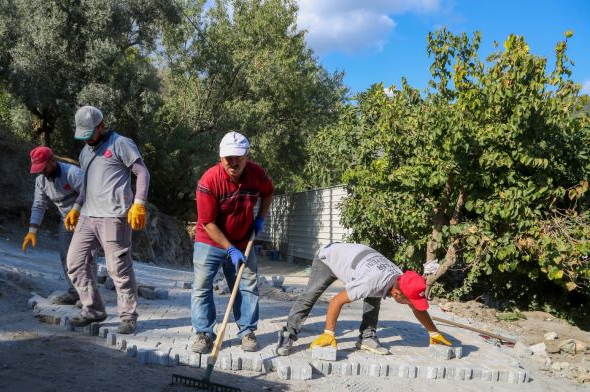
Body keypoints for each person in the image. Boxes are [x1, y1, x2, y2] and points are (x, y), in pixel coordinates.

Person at [275, 242, 452, 356]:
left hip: (357, 262)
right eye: (408, 301)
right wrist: (329, 334)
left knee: (375, 295)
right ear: (398, 294)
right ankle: (288, 333)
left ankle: (367, 337)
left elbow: (416, 307)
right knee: (310, 295)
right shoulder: (371, 281)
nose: (411, 305)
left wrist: (434, 332)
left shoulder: (400, 278)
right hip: (329, 258)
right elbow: (336, 301)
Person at [64, 106, 150, 334]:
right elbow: (85, 186)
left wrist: (139, 203)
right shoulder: (85, 153)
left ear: (101, 126)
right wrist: (75, 207)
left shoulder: (121, 143)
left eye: (90, 133)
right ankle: (93, 310)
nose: (87, 139)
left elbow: (142, 172)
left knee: (118, 269)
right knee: (75, 262)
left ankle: (128, 316)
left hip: (114, 216)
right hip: (87, 216)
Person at [190, 131, 274, 353]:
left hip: (243, 239)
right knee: (201, 287)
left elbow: (269, 192)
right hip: (210, 241)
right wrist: (230, 250)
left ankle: (247, 331)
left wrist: (261, 218)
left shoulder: (257, 174)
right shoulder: (209, 181)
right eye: (229, 158)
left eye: (238, 157)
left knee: (247, 286)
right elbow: (207, 222)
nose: (233, 162)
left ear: (247, 155)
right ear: (221, 157)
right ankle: (204, 333)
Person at [23, 146, 88, 306]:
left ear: (52, 160)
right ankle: (75, 292)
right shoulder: (41, 181)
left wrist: (77, 210)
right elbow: (39, 205)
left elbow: (89, 193)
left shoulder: (72, 173)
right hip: (67, 221)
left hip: (88, 219)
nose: (42, 171)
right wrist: (32, 230)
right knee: (66, 257)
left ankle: (88, 297)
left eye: (43, 167)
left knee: (85, 258)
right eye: (38, 169)